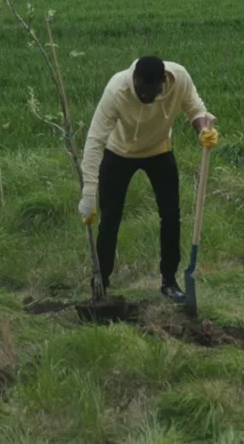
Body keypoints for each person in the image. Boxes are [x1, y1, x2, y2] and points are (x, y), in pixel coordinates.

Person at [78, 56, 218, 302]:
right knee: (110, 220)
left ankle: (169, 281)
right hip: (119, 153)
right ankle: (101, 284)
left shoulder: (180, 78)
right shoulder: (116, 90)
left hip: (159, 150)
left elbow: (196, 109)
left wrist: (204, 130)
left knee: (171, 216)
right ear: (135, 80)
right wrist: (89, 192)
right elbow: (95, 140)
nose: (146, 99)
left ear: (163, 83)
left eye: (151, 94)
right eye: (141, 93)